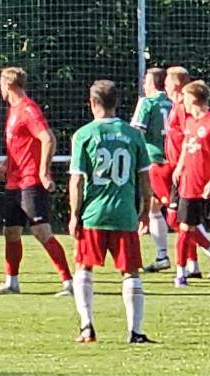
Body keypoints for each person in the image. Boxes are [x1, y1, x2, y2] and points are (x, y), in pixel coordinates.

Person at [68, 80, 156, 344]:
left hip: (93, 214)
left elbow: (77, 180)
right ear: (116, 102)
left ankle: (87, 327)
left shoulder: (83, 134)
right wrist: (145, 210)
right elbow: (145, 180)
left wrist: (74, 214)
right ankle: (135, 331)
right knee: (130, 272)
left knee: (83, 267)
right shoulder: (133, 135)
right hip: (124, 213)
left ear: (92, 103)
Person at [0, 67, 74, 296]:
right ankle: (11, 283)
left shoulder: (28, 109)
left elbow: (48, 138)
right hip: (14, 182)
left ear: (7, 84)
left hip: (30, 181)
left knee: (41, 231)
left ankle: (69, 283)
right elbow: (20, 144)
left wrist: (44, 172)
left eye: (0, 83)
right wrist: (6, 164)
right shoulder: (14, 110)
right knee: (10, 231)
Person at [164, 67, 210, 281]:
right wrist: (180, 167)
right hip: (190, 184)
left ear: (193, 99)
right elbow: (185, 146)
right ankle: (181, 272)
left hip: (205, 182)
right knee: (184, 226)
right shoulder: (190, 121)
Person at [131, 67, 172, 271]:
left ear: (152, 83)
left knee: (178, 213)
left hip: (156, 161)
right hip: (175, 159)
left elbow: (136, 131)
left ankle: (197, 254)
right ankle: (162, 257)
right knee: (156, 208)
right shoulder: (173, 101)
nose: (143, 85)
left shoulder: (147, 102)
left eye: (146, 81)